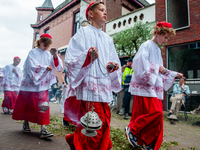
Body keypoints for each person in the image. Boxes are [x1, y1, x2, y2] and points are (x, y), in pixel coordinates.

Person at [64, 2, 121, 150]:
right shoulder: (82, 33)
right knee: (95, 126)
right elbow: (71, 60)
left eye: (105, 10)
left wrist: (112, 66)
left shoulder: (108, 39)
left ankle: (75, 140)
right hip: (89, 89)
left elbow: (112, 59)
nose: (105, 13)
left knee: (101, 122)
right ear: (90, 14)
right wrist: (88, 56)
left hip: (103, 87)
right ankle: (79, 143)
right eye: (101, 10)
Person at [124, 22, 183, 150]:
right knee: (156, 112)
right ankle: (133, 130)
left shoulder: (156, 48)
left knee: (154, 117)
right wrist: (159, 69)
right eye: (165, 37)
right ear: (158, 33)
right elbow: (139, 64)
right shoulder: (146, 45)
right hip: (145, 87)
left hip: (152, 88)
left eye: (168, 38)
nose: (166, 40)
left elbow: (159, 69)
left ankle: (147, 142)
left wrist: (173, 73)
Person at [12, 33, 63, 138]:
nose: (47, 47)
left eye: (48, 45)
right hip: (30, 85)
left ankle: (43, 129)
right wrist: (45, 68)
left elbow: (58, 67)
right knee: (29, 104)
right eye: (45, 44)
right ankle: (26, 123)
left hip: (42, 85)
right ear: (40, 42)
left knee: (43, 105)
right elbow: (31, 66)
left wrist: (55, 56)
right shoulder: (32, 52)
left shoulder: (49, 55)